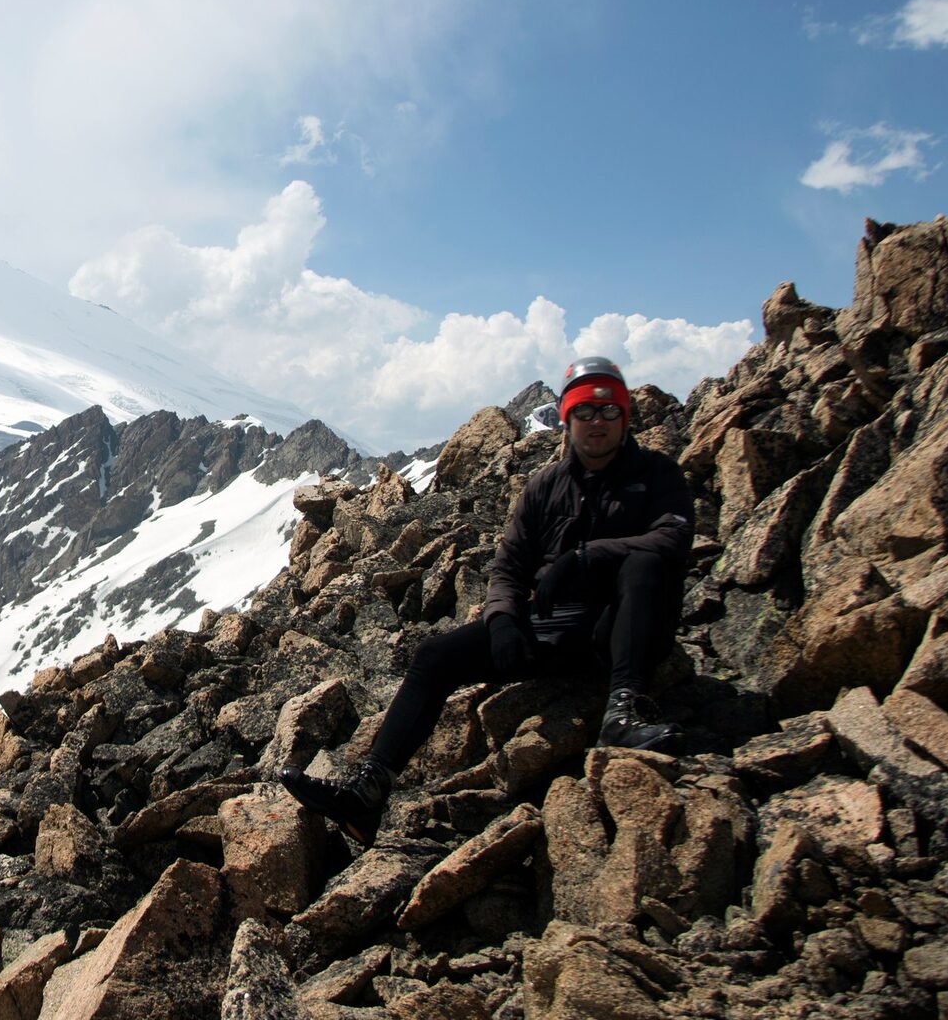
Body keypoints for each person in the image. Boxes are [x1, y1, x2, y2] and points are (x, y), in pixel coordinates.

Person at [281, 356, 692, 845]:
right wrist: (502, 621)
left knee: (643, 565)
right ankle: (369, 790)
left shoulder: (657, 474)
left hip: (625, 626)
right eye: (585, 412)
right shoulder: (545, 487)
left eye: (608, 412)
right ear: (567, 419)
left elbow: (672, 541)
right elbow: (510, 566)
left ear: (625, 417)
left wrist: (588, 556)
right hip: (555, 629)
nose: (596, 423)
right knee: (435, 656)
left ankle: (624, 712)